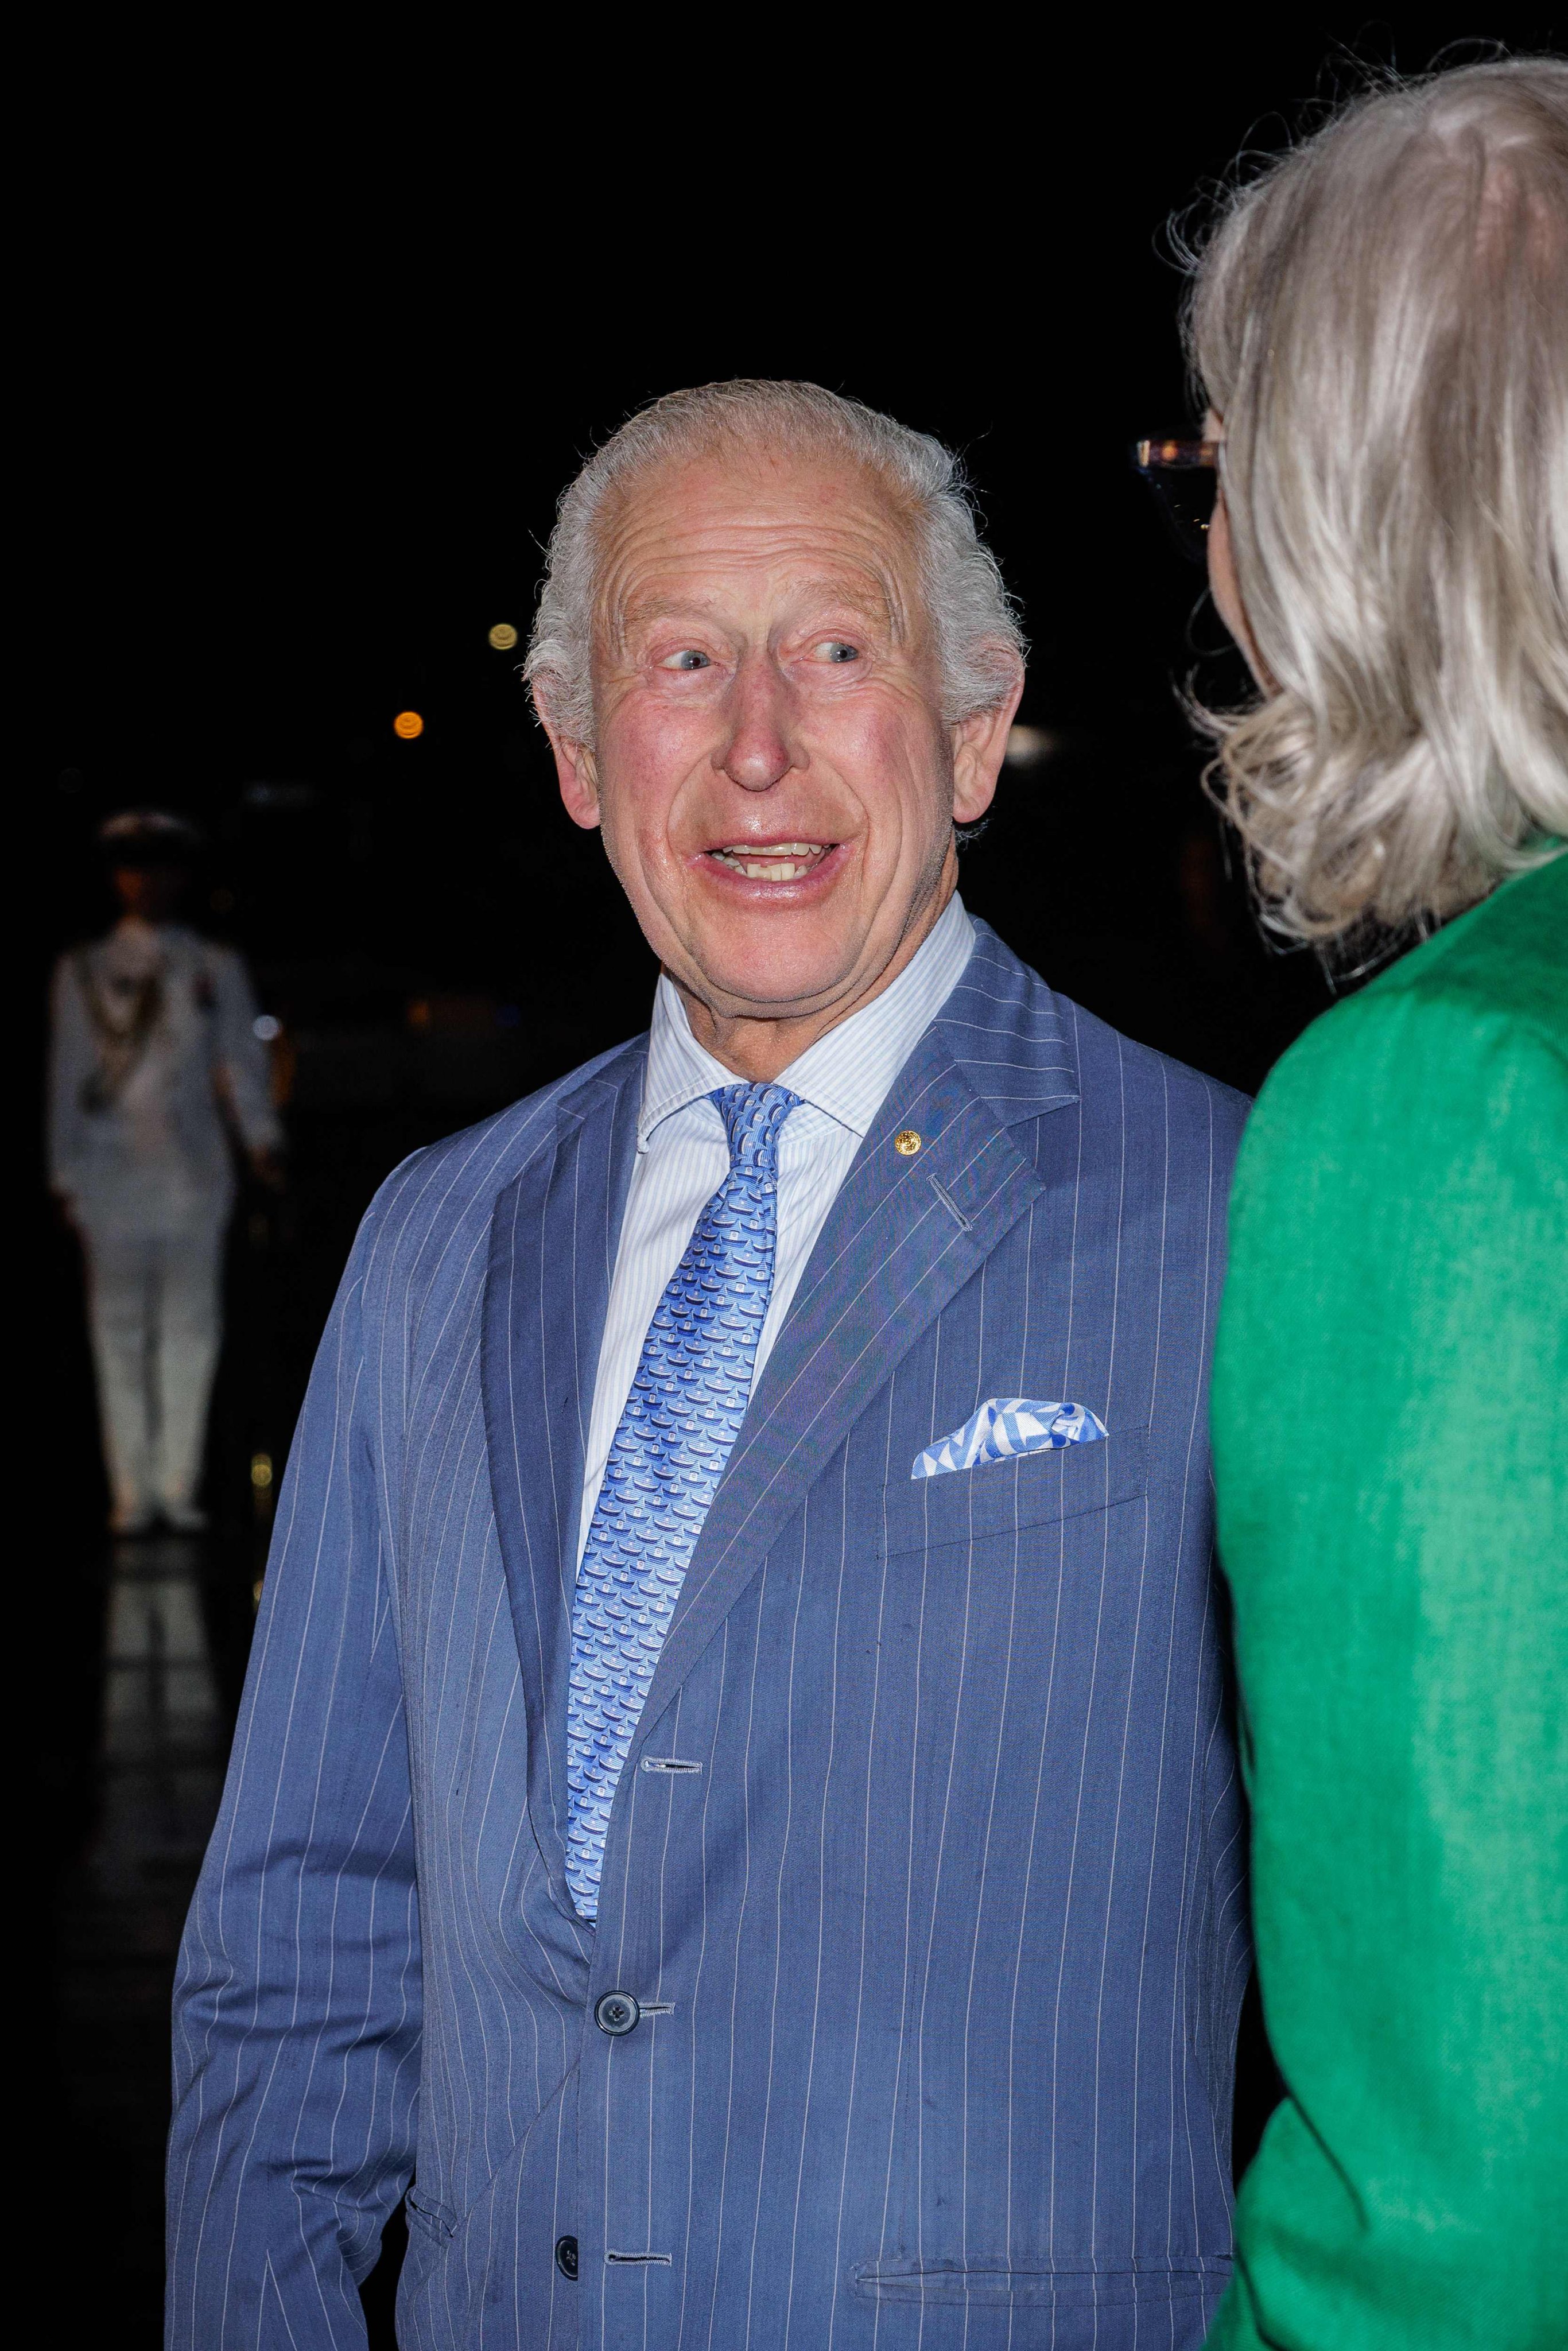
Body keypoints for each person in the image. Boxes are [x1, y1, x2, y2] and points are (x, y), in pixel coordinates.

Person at [168, 382, 1252, 2350]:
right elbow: (301, 1931)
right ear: (581, 749)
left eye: (838, 649)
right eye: (684, 661)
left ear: (974, 724)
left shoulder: (1228, 1211)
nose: (759, 746)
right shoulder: (432, 1235)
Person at [1181, 61, 1567, 2351]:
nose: (1208, 549)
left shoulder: (1439, 1109)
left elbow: (1454, 2202)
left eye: (1214, 467)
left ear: (1348, 517)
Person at [49, 810, 284, 1535]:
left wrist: (262, 1141)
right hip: (111, 1179)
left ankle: (176, 1486)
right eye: (131, 867)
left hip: (191, 1176)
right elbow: (68, 1076)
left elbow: (242, 1066)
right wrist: (65, 1174)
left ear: (180, 875)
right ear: (116, 876)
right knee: (117, 1333)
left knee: (189, 1331)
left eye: (157, 867)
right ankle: (131, 1489)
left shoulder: (212, 966)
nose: (144, 882)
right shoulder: (83, 970)